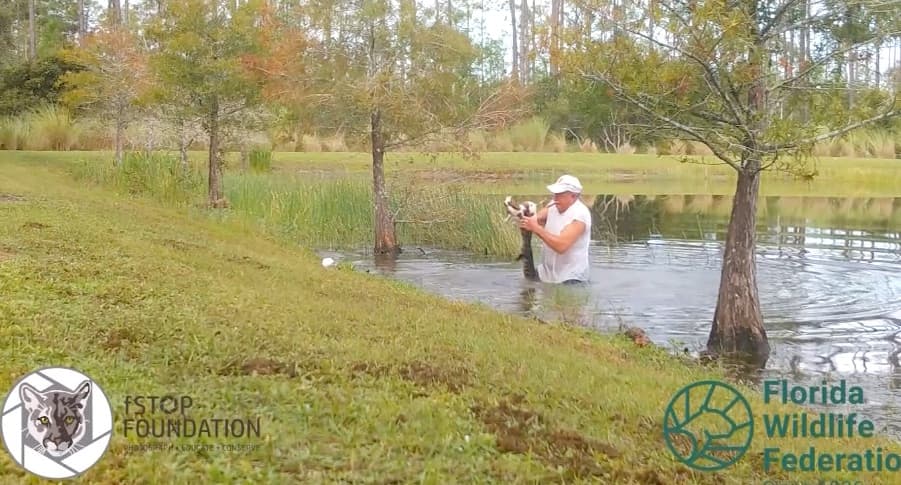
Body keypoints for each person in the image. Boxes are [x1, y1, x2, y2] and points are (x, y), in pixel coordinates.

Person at [519, 174, 592, 284]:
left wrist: (535, 228)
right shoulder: (554, 205)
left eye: (560, 194)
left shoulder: (580, 215)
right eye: (555, 193)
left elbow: (561, 246)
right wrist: (526, 216)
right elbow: (537, 218)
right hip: (545, 275)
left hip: (571, 279)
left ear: (573, 196)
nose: (555, 197)